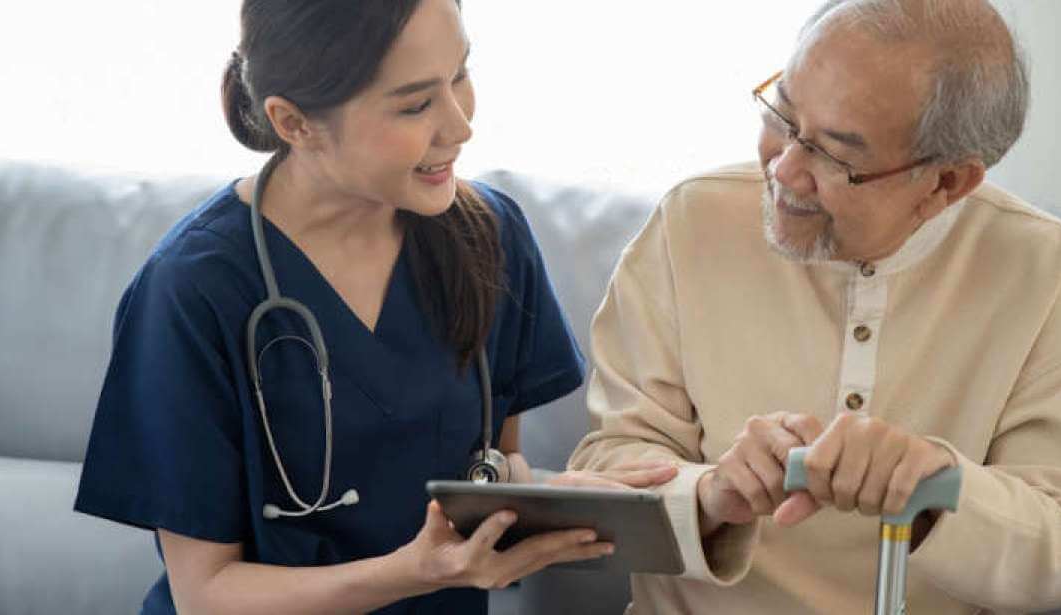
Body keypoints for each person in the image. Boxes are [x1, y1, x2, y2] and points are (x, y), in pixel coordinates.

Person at [73, 1, 677, 613]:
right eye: (416, 104)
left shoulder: (488, 235)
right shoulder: (192, 290)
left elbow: (490, 466)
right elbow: (206, 594)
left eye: (460, 76)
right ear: (294, 123)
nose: (460, 125)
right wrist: (412, 572)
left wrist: (556, 499)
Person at [568, 0, 1061, 613]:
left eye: (835, 155)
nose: (784, 169)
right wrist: (710, 495)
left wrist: (936, 484)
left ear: (947, 183)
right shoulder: (690, 221)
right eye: (782, 115)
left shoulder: (1039, 266)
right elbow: (603, 470)